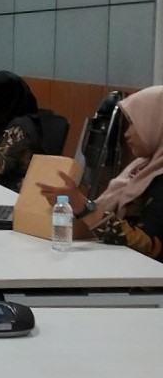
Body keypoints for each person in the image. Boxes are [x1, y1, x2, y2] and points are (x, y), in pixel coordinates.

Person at [37, 86, 163, 262]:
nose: (127, 133)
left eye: (134, 124)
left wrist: (84, 207)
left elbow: (151, 247)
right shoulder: (141, 167)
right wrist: (75, 209)